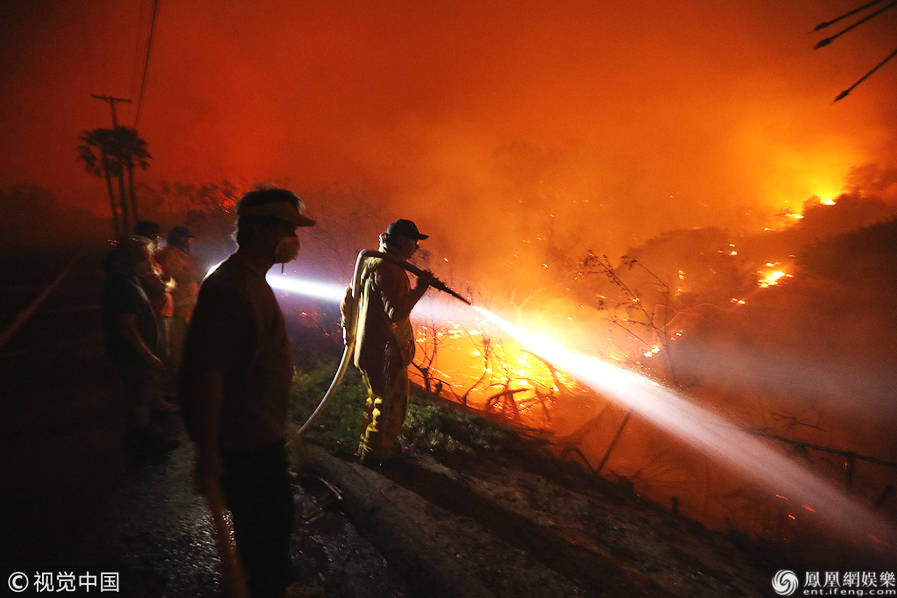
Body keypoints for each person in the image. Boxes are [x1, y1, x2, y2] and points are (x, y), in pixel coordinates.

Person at [180, 187, 314, 598]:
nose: (295, 238)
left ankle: (270, 585)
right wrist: (209, 452)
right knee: (264, 536)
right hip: (247, 444)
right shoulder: (233, 290)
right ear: (260, 231)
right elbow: (208, 374)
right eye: (288, 228)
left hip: (260, 437)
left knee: (273, 525)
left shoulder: (250, 282)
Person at [350, 219, 432, 466]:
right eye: (414, 244)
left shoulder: (371, 261)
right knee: (389, 405)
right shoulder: (389, 270)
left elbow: (349, 296)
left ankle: (370, 446)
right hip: (383, 352)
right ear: (405, 242)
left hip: (369, 348)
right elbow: (396, 313)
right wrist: (420, 289)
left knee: (377, 399)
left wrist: (347, 331)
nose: (415, 249)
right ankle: (376, 456)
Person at [102, 236, 167, 452]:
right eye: (144, 256)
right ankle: (143, 442)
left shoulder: (130, 280)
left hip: (136, 352)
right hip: (133, 354)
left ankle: (143, 438)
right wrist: (148, 355)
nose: (148, 260)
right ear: (129, 258)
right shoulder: (121, 285)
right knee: (140, 397)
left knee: (142, 395)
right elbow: (127, 327)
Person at [156, 225, 201, 372]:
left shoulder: (180, 254)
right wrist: (198, 274)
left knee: (189, 341)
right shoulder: (170, 254)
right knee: (178, 343)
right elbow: (177, 274)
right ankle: (177, 374)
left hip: (188, 305)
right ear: (179, 239)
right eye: (186, 238)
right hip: (180, 305)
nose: (189, 242)